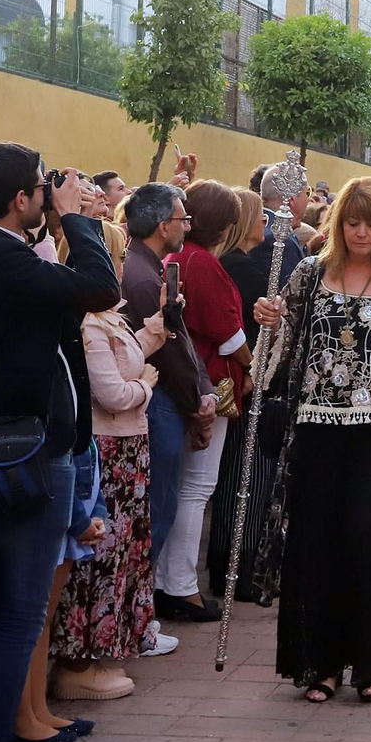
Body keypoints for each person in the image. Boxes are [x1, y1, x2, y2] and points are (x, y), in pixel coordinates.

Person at [0, 143, 121, 742]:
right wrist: (80, 220)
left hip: (38, 437)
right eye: (42, 188)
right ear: (20, 199)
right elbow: (98, 286)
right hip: (28, 446)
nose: (49, 194)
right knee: (17, 613)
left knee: (12, 609)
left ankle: (13, 723)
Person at [251, 176, 371, 703]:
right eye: (352, 222)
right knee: (315, 539)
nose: (361, 232)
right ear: (339, 223)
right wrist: (269, 321)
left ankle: (368, 659)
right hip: (315, 427)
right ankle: (320, 662)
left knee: (366, 537)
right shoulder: (310, 274)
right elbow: (281, 347)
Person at [50, 269, 170, 701]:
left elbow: (130, 355)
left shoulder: (108, 317)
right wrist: (146, 387)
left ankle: (97, 652)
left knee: (121, 555)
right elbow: (112, 393)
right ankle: (77, 661)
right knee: (100, 556)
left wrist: (159, 324)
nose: (118, 271)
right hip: (109, 450)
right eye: (113, 260)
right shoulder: (87, 323)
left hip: (129, 450)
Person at [122, 183, 217, 625]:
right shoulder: (142, 277)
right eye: (183, 219)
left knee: (160, 506)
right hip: (158, 402)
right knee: (156, 511)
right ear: (164, 226)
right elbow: (169, 350)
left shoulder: (152, 268)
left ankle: (141, 614)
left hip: (166, 399)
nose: (186, 227)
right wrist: (199, 399)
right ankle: (137, 619)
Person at [158, 180, 250, 622]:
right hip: (210, 380)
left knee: (184, 488)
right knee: (196, 488)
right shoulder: (201, 263)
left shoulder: (179, 257)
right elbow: (228, 334)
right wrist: (253, 366)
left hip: (190, 378)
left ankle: (169, 580)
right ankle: (180, 584)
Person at [209, 186, 288, 600]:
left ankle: (230, 566)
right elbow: (246, 334)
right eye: (260, 216)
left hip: (240, 384)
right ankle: (238, 569)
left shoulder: (237, 264)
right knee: (248, 479)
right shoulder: (244, 270)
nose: (266, 224)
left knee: (237, 478)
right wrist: (254, 369)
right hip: (247, 386)